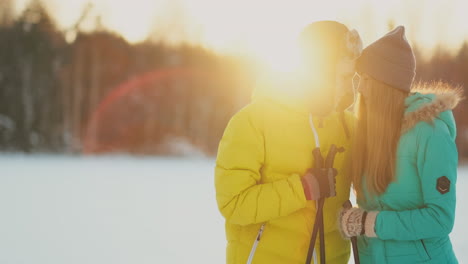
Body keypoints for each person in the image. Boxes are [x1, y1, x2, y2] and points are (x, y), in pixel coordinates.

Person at [215, 21, 362, 264]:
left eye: (353, 77)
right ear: (322, 71)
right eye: (344, 76)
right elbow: (233, 203)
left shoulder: (348, 126)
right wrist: (303, 188)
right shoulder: (253, 121)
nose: (350, 88)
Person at [339, 26, 462, 263]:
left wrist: (368, 223)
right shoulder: (368, 133)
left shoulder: (430, 134)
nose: (360, 88)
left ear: (384, 84)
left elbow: (440, 218)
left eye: (365, 79)